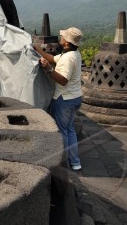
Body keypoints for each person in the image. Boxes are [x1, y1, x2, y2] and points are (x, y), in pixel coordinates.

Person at [33, 27, 83, 171]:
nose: (60, 38)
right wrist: (37, 49)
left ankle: (64, 163)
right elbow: (53, 58)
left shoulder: (68, 58)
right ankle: (75, 162)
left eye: (63, 37)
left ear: (66, 42)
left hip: (64, 99)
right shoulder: (73, 53)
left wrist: (48, 69)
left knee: (62, 132)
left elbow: (63, 80)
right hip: (75, 97)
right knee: (70, 130)